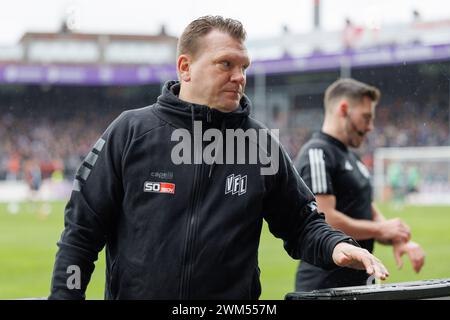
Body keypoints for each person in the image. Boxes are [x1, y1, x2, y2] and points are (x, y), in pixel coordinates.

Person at [49, 16, 388, 300]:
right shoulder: (131, 132)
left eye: (244, 66)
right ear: (186, 68)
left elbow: (303, 224)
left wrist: (336, 245)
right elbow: (81, 232)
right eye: (226, 64)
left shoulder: (259, 144)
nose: (239, 76)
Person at [294, 78, 425, 291]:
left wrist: (396, 238)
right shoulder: (317, 153)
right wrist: (382, 228)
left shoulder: (352, 158)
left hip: (360, 283)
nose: (371, 127)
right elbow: (326, 218)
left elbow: (368, 212)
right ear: (344, 109)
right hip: (325, 287)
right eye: (366, 117)